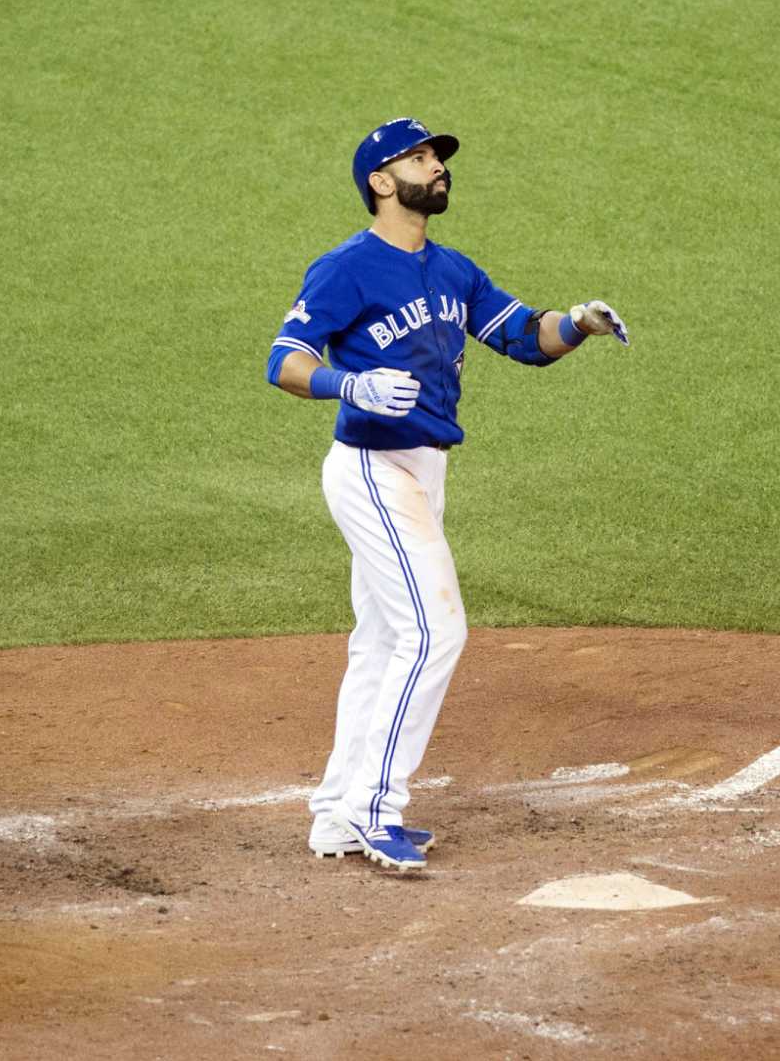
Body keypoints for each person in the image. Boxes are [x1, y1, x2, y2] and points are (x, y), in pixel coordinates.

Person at [265, 118, 630, 871]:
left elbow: (526, 337)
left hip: (426, 473)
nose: (439, 170)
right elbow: (285, 361)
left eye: (438, 160)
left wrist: (580, 324)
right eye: (422, 159)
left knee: (381, 641)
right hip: (372, 469)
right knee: (434, 632)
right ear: (379, 181)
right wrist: (350, 381)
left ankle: (338, 812)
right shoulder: (347, 269)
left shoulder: (452, 269)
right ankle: (376, 810)